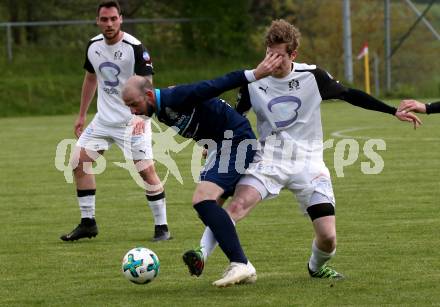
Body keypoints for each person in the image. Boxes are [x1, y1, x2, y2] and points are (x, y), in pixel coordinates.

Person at [183, 19, 421, 281]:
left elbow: (350, 94)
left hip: (308, 163)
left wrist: (392, 111)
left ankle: (316, 267)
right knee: (237, 206)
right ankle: (201, 253)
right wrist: (217, 143)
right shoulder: (253, 81)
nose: (272, 61)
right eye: (268, 53)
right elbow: (235, 116)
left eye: (279, 56)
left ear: (293, 54)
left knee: (328, 237)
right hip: (268, 159)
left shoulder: (312, 76)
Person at [121, 52, 283, 287]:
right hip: (221, 145)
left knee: (203, 200)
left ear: (147, 95)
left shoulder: (175, 96)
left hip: (237, 141)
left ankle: (241, 263)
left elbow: (215, 85)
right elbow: (203, 118)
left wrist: (253, 74)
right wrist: (208, 143)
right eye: (129, 107)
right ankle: (203, 255)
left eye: (134, 105)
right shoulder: (160, 109)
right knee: (209, 207)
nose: (133, 111)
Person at [60, 0, 170, 242]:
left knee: (145, 171)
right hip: (103, 121)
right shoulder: (93, 46)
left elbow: (147, 85)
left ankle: (162, 228)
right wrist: (81, 115)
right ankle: (88, 223)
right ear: (97, 21)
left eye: (113, 19)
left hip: (132, 122)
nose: (109, 24)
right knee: (79, 162)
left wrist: (143, 116)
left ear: (121, 19)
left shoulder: (135, 47)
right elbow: (90, 79)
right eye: (104, 19)